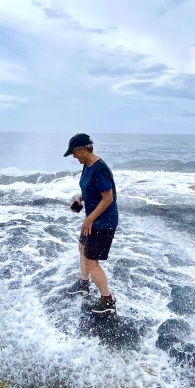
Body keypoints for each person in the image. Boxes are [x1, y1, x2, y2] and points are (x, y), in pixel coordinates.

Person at [63, 133, 119, 315]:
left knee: (91, 261)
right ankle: (83, 283)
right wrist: (80, 200)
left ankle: (108, 301)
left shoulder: (99, 168)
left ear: (81, 149)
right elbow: (90, 189)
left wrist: (89, 219)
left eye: (73, 153)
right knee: (82, 248)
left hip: (103, 222)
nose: (73, 156)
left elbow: (108, 198)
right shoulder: (87, 166)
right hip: (93, 220)